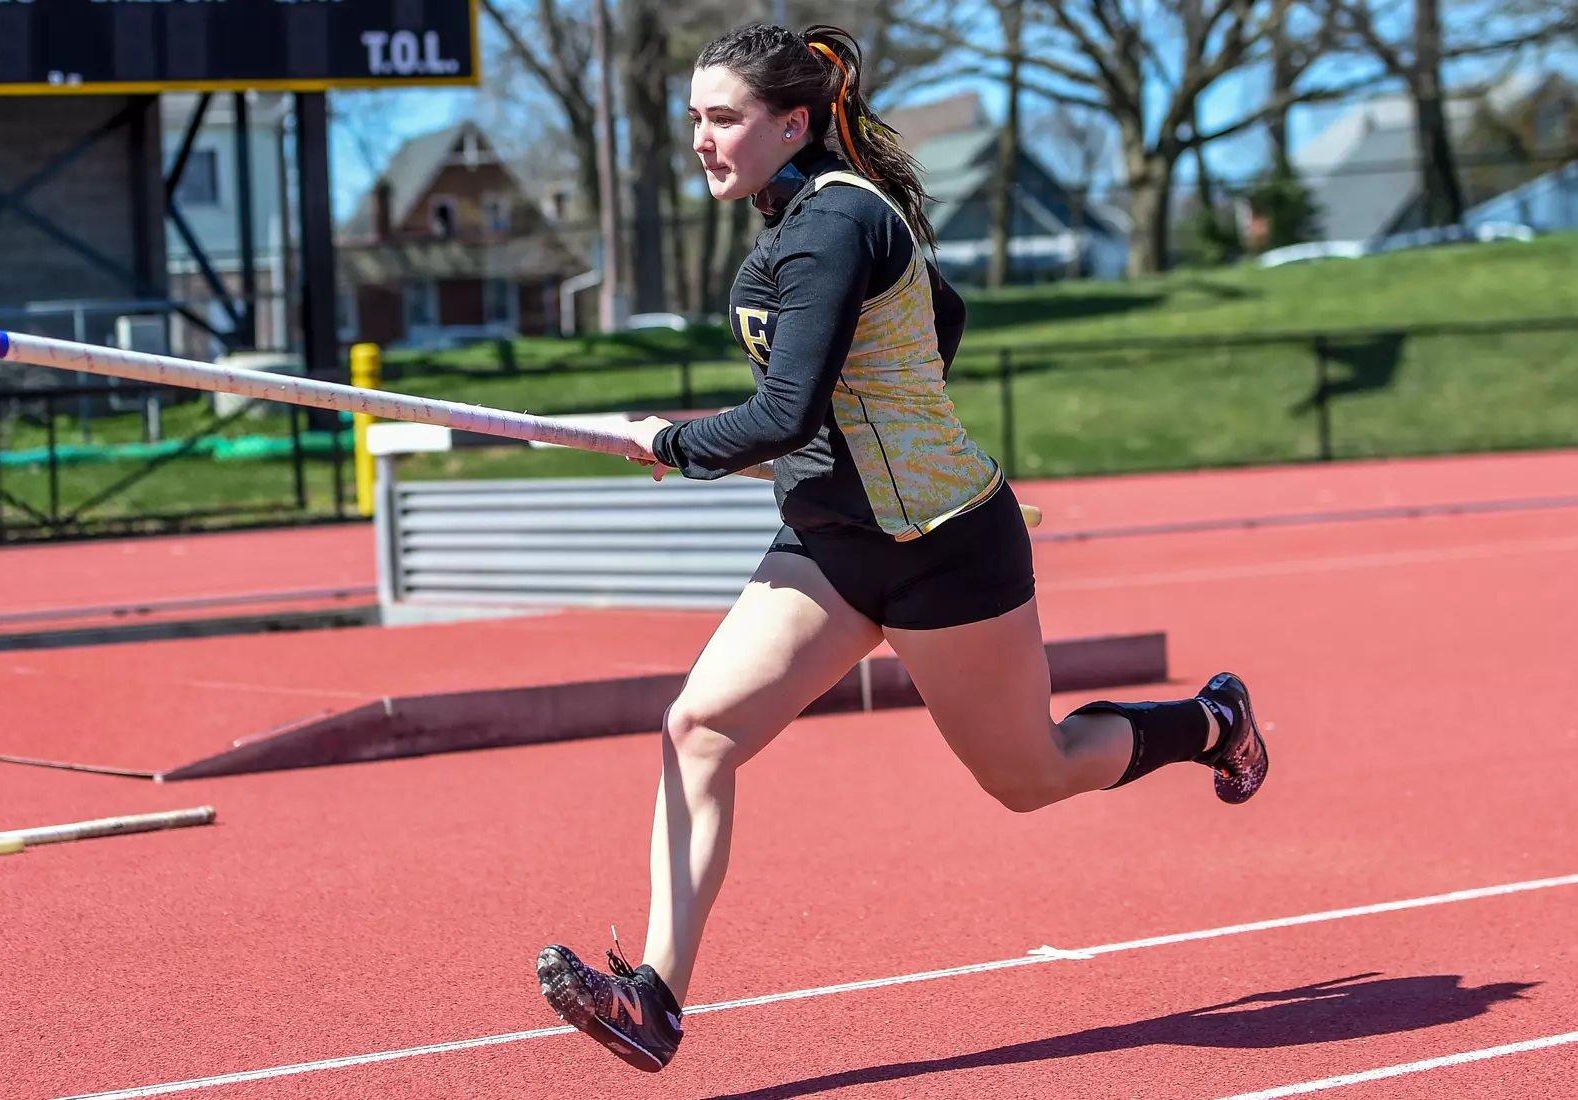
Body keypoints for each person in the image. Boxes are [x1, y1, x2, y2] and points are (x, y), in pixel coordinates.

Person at [535, 22, 1267, 1073]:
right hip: (832, 545)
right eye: (693, 118)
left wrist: (677, 443)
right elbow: (925, 329)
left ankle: (1212, 720)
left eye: (723, 118)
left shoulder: (835, 224)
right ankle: (655, 996)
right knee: (698, 728)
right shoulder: (788, 217)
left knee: (1031, 773)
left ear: (793, 123)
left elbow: (786, 410)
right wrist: (851, 428)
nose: (701, 138)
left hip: (943, 549)